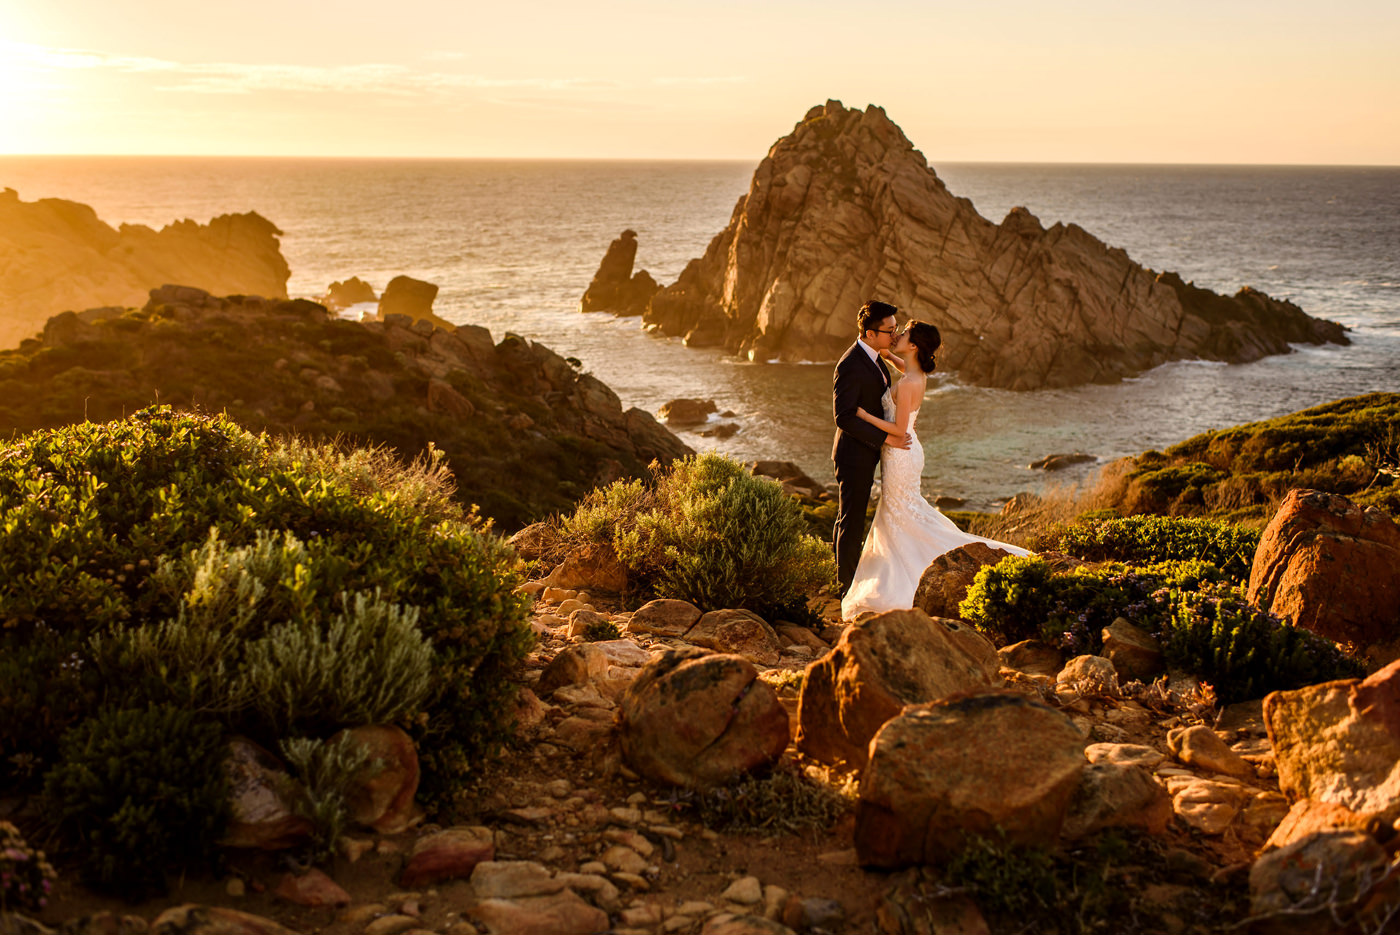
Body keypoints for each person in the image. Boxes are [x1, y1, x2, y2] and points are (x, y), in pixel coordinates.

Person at [840, 319, 1031, 621]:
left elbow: (899, 429)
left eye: (902, 334)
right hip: (909, 450)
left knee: (900, 513)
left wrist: (864, 416)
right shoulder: (916, 374)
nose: (897, 335)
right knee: (904, 512)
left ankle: (909, 577)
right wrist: (889, 357)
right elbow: (906, 373)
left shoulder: (906, 384)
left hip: (900, 451)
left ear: (914, 345)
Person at [831, 300, 909, 599]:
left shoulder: (876, 355)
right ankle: (845, 589)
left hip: (867, 451)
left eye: (896, 329)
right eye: (889, 331)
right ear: (868, 333)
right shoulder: (850, 364)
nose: (894, 335)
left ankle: (840, 578)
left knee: (847, 517)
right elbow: (844, 416)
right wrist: (885, 439)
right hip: (853, 454)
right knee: (851, 520)